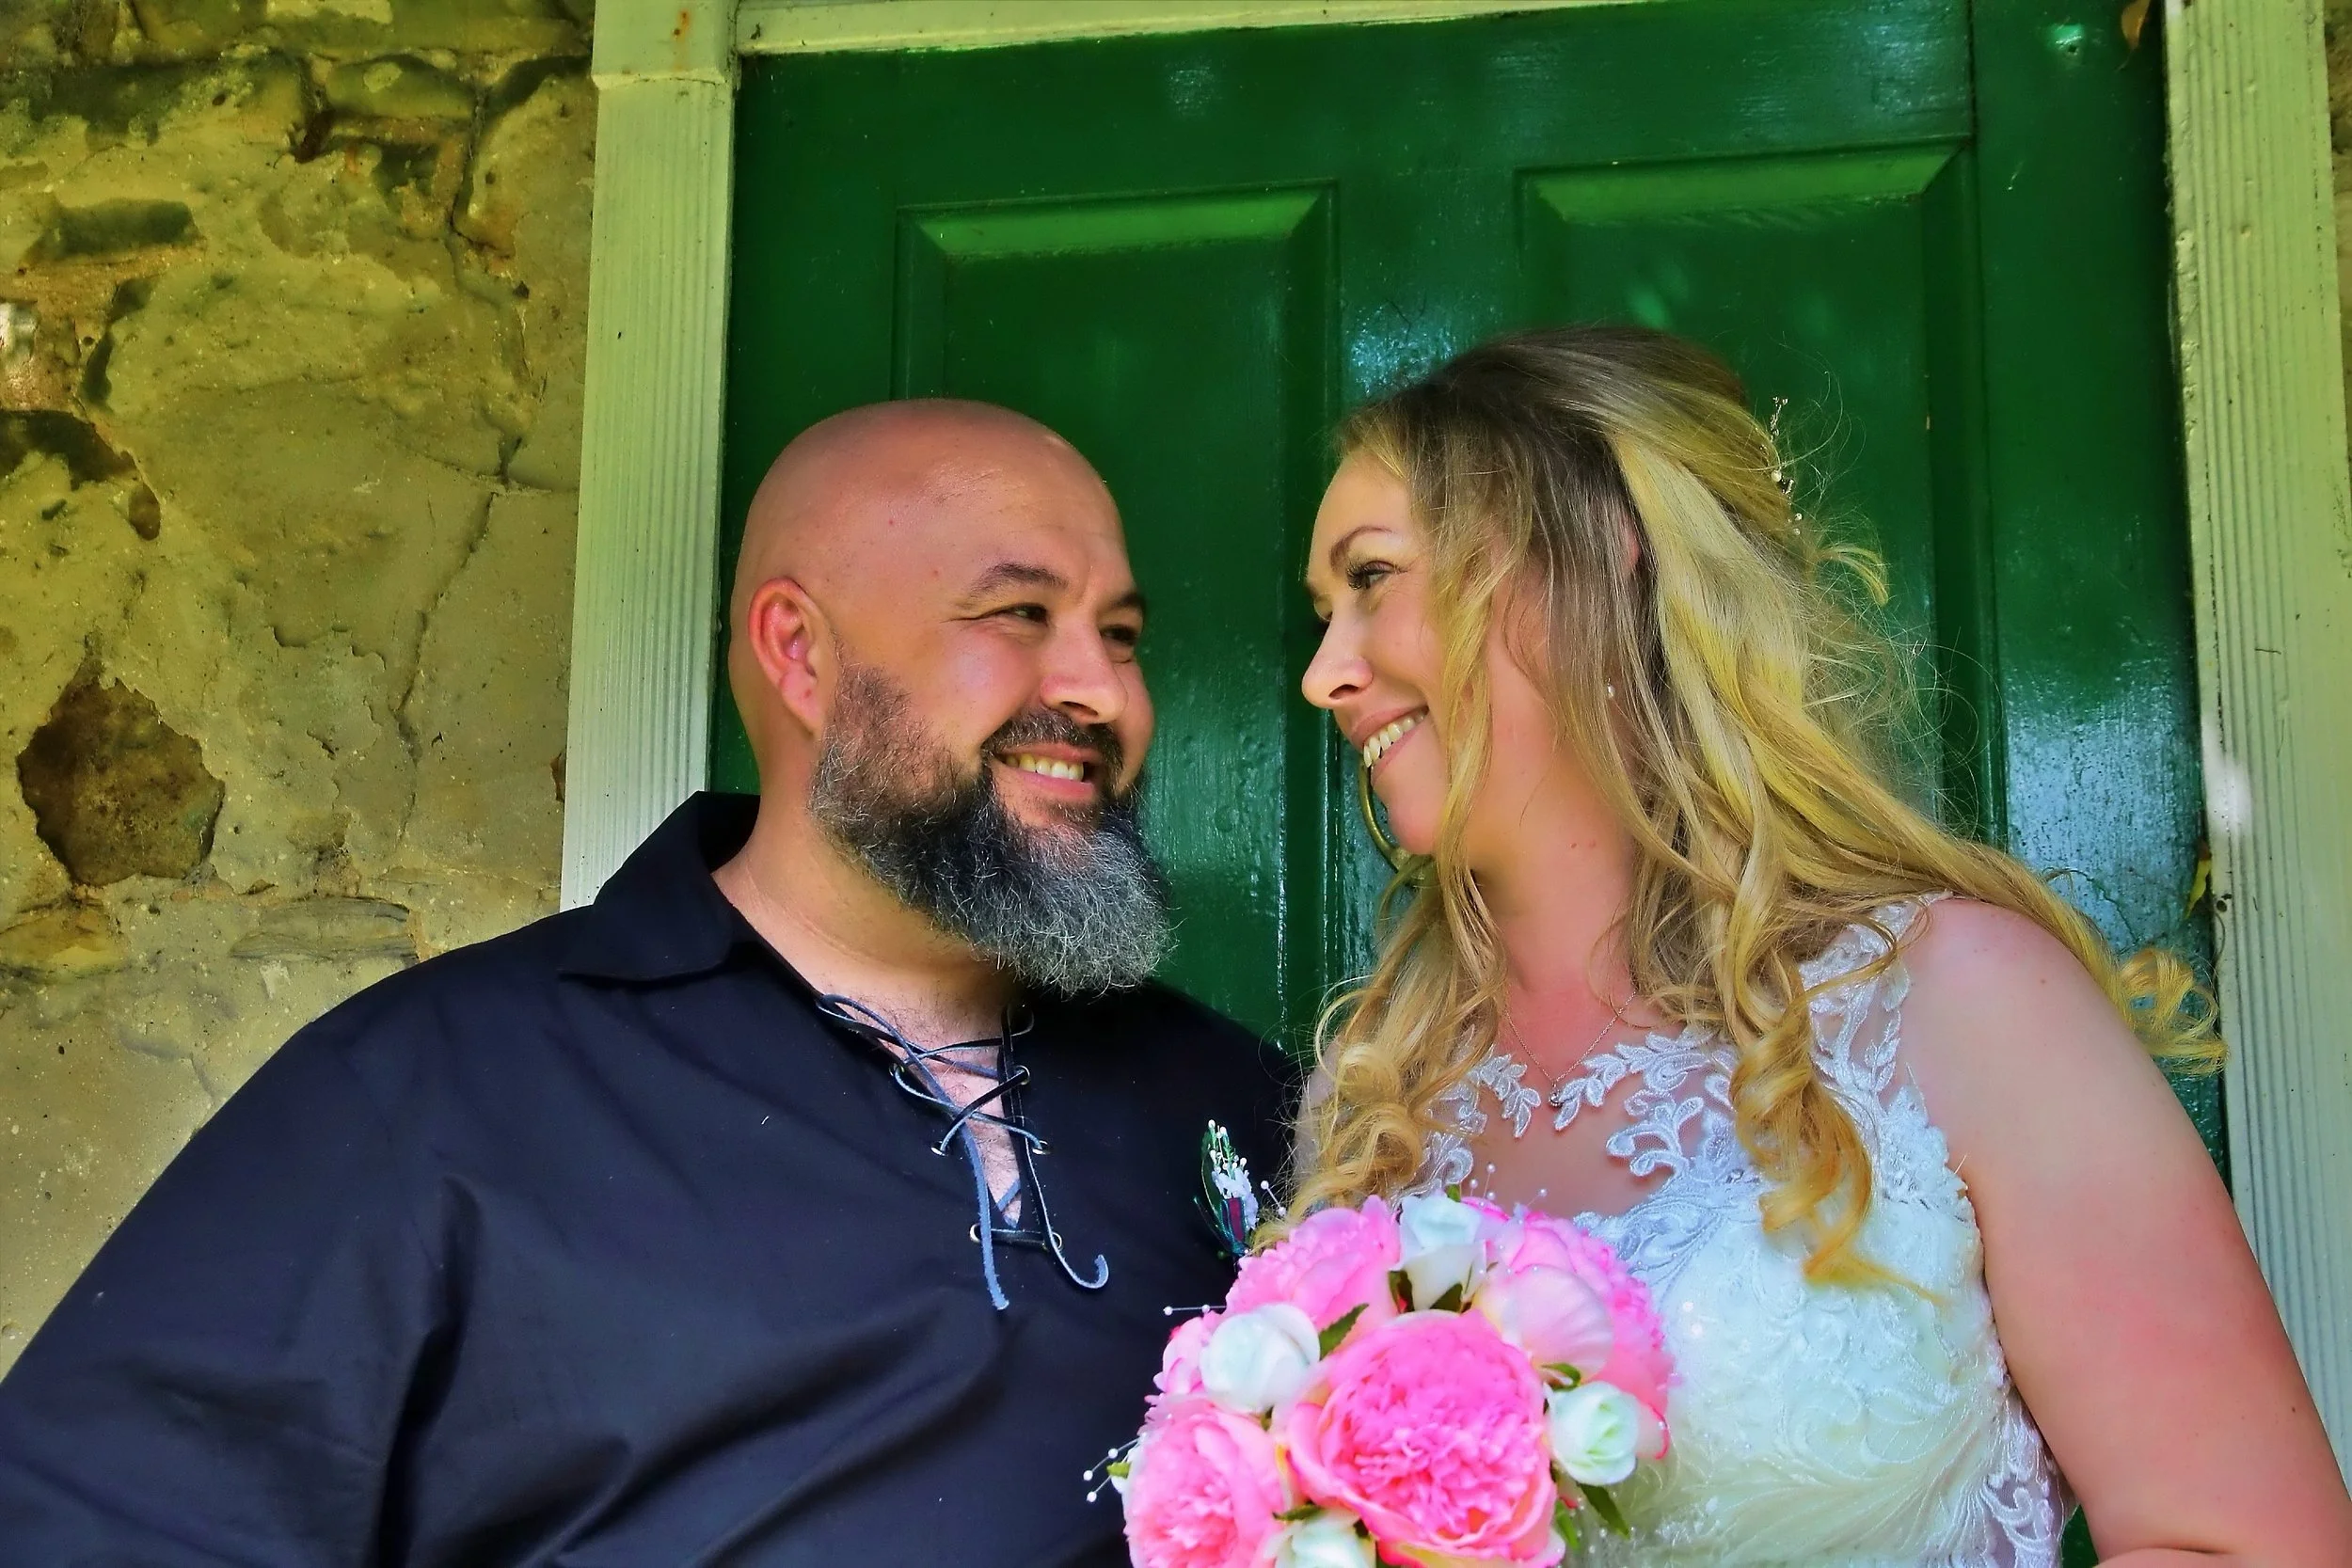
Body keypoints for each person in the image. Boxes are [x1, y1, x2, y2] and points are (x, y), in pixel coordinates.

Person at [0, 400, 1292, 1565]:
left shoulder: (1241, 1108)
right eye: (1021, 616)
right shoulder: (429, 1090)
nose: (1099, 690)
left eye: (1119, 634)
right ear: (801, 653)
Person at [1293, 327, 2352, 1565]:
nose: (1324, 674)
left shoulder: (1955, 1004)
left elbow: (2248, 1542)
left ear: (1593, 564)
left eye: (1372, 579)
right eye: (1323, 613)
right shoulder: (1373, 1099)